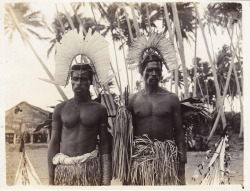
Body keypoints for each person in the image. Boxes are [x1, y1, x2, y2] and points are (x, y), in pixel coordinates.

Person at [47, 29, 112, 186]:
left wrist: (105, 179)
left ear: (90, 81)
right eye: (75, 79)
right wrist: (51, 179)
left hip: (90, 169)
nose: (78, 83)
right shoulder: (60, 109)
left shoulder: (99, 110)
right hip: (65, 170)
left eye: (83, 79)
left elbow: (104, 143)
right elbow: (54, 143)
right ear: (70, 80)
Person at [126, 33, 187, 185]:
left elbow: (179, 133)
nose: (154, 74)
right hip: (140, 159)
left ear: (161, 73)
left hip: (165, 159)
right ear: (142, 71)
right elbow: (127, 135)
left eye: (157, 71)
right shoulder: (133, 100)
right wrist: (126, 167)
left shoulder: (171, 99)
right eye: (150, 70)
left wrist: (181, 165)